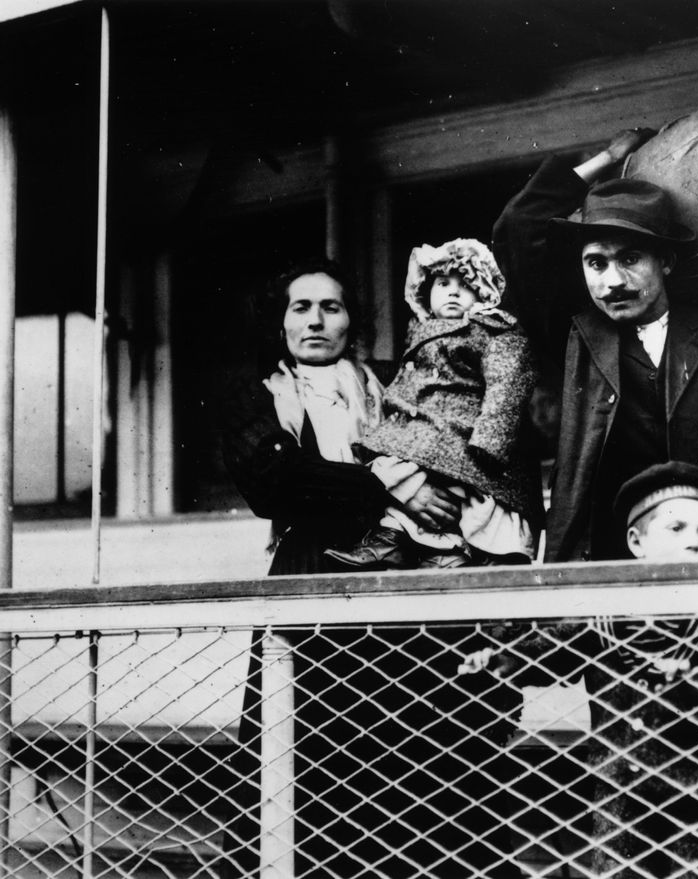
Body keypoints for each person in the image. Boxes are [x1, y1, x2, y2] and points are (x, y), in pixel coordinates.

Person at [220, 259, 514, 877]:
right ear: (280, 322)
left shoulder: (393, 382)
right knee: (307, 746)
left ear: (352, 319)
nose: (317, 320)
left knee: (413, 748)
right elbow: (278, 482)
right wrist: (388, 485)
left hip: (402, 576)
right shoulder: (258, 395)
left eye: (332, 306)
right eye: (301, 307)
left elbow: (456, 429)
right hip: (311, 578)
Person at [492, 129, 698, 562]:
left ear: (665, 262)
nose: (613, 281)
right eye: (596, 263)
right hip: (604, 573)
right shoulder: (577, 334)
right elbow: (516, 228)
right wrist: (606, 157)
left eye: (630, 259)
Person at [463, 461, 698, 877]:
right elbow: (554, 648)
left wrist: (691, 682)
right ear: (636, 542)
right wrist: (502, 659)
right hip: (619, 790)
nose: (694, 543)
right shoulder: (607, 613)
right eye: (677, 529)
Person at [327, 238, 542, 569]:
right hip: (423, 429)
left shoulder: (492, 330)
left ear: (485, 294)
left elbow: (509, 379)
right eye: (443, 284)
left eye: (466, 285)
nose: (453, 292)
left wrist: (490, 441)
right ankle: (393, 538)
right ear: (425, 293)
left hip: (464, 430)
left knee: (473, 501)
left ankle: (474, 556)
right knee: (399, 471)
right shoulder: (419, 332)